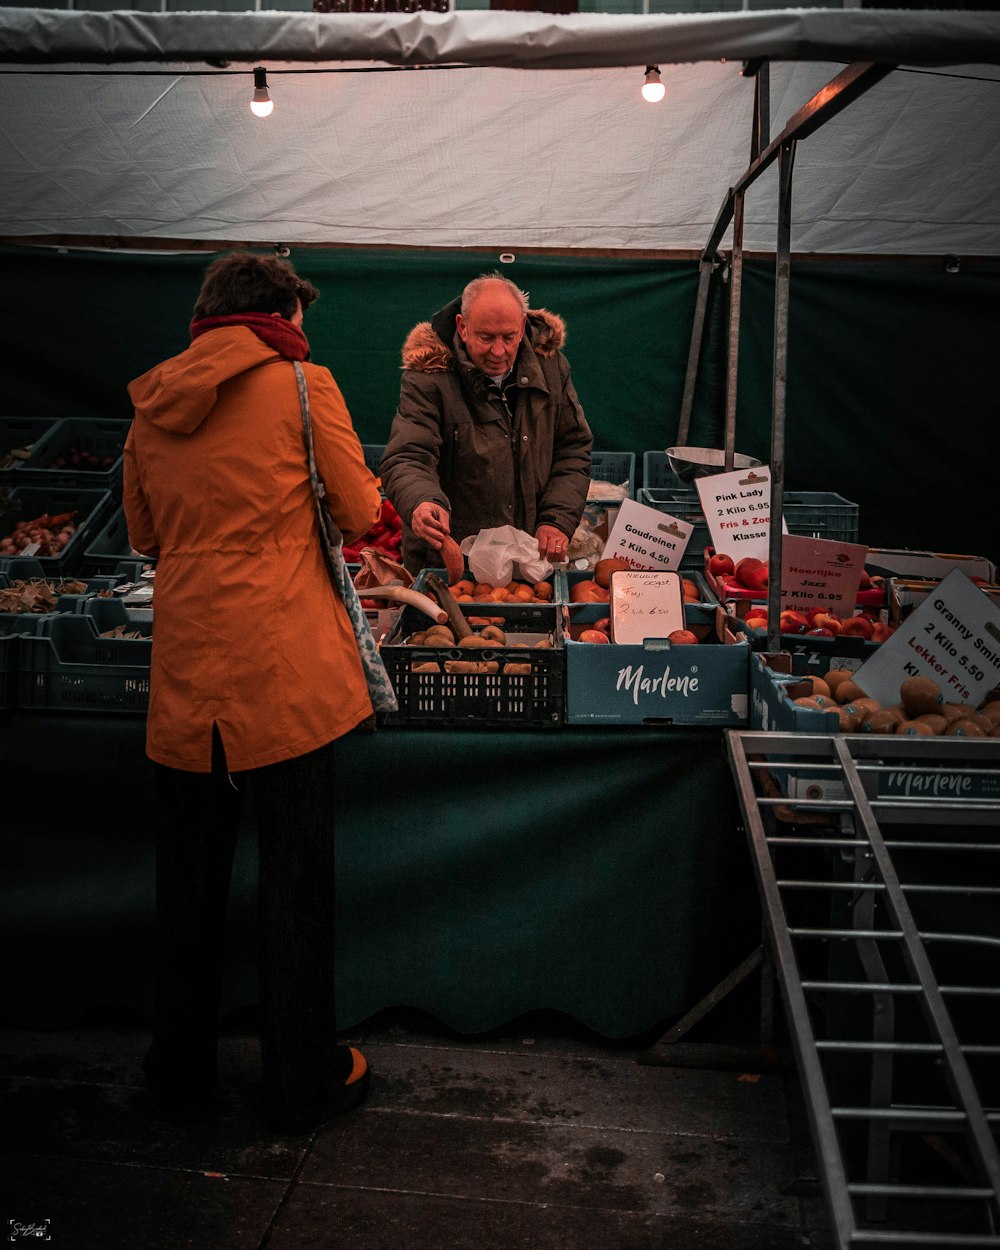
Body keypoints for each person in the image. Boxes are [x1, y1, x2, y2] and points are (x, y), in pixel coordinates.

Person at [123, 252, 381, 1133]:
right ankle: (301, 1076)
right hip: (286, 674)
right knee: (295, 885)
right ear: (280, 314)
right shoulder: (306, 385)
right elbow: (355, 510)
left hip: (189, 674)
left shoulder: (153, 398)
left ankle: (178, 1071)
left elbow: (143, 533)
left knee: (188, 885)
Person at [380, 272, 593, 574]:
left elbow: (572, 449)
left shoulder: (552, 367)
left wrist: (556, 519)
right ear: (462, 327)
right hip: (449, 563)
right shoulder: (429, 376)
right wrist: (422, 502)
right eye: (486, 337)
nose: (498, 351)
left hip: (527, 560)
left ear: (522, 326)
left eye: (509, 337)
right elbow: (407, 456)